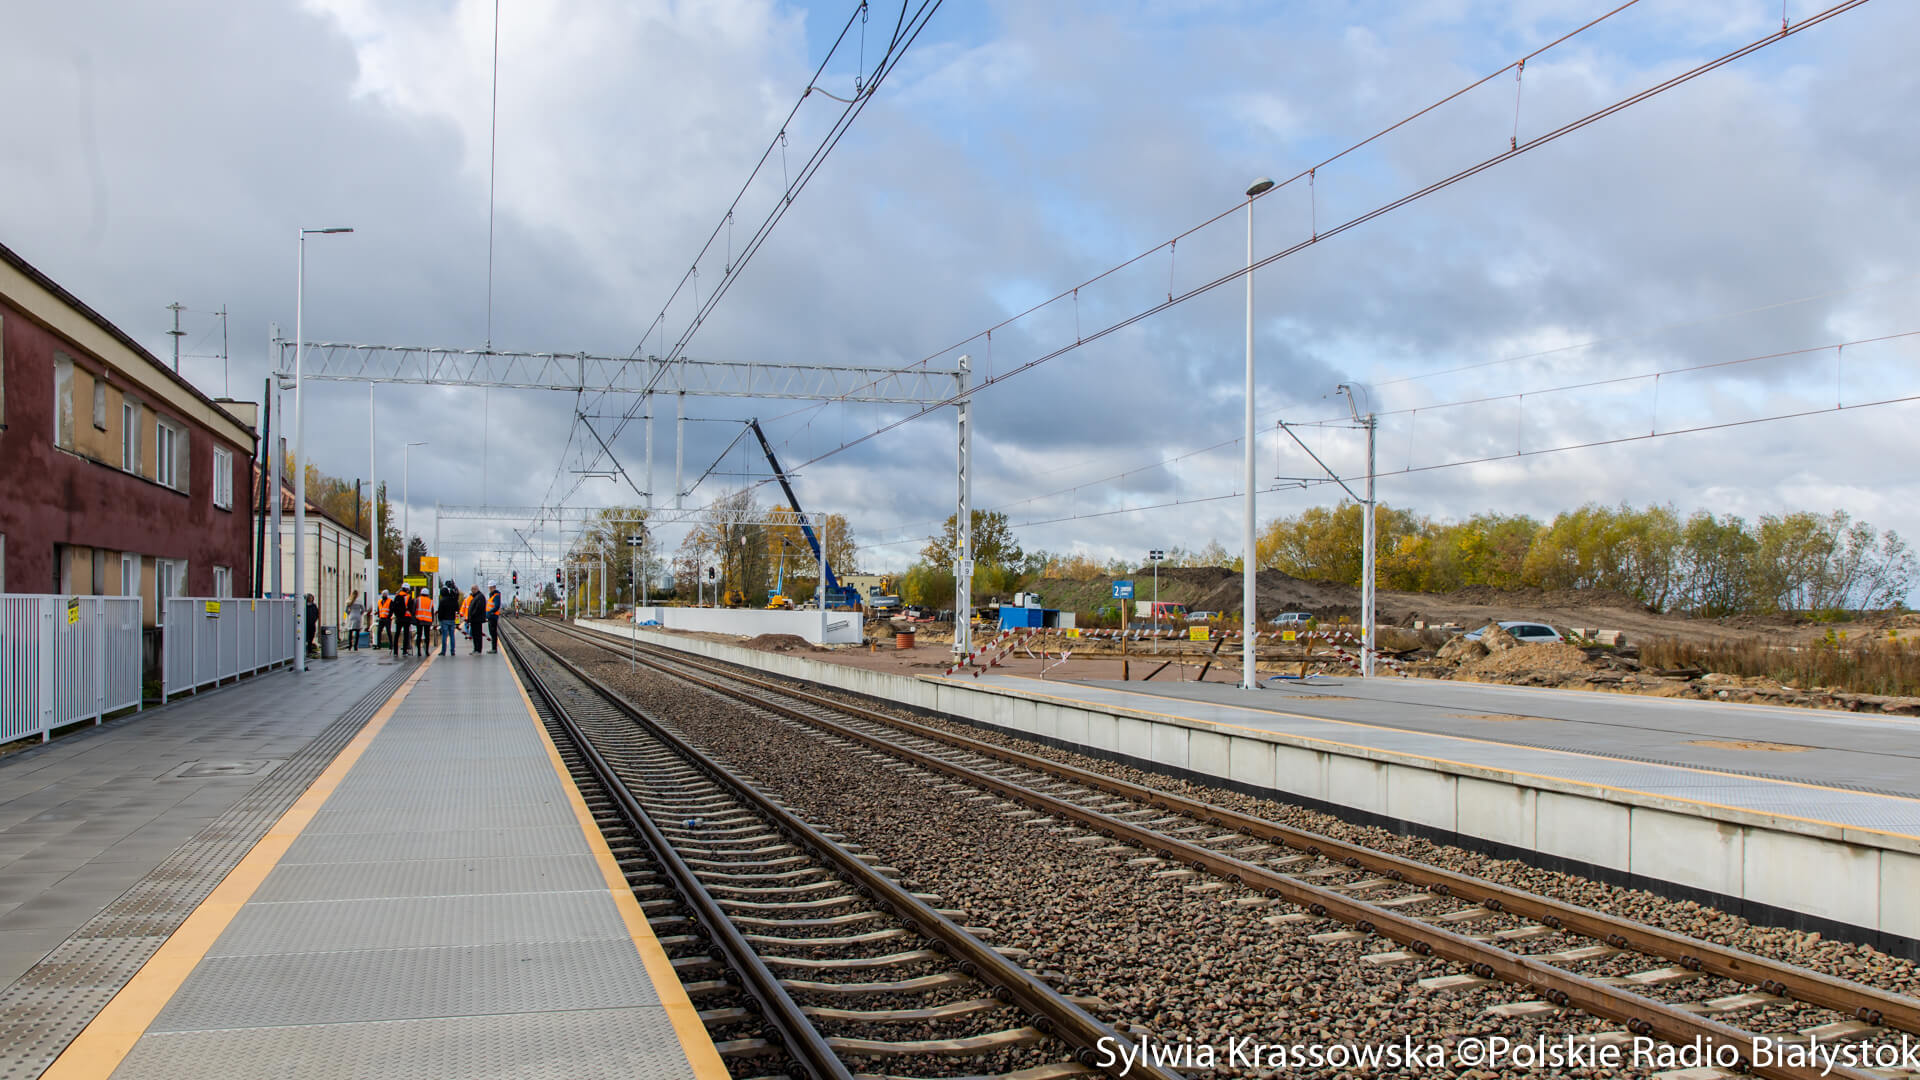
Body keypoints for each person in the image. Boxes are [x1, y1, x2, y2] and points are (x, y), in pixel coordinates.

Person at [438, 582, 460, 656]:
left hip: (444, 620)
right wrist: (457, 622)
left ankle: (443, 651)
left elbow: (440, 611)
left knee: (444, 636)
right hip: (452, 620)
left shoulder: (442, 601)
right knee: (452, 636)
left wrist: (440, 619)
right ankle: (452, 651)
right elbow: (457, 612)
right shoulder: (454, 600)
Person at [413, 584, 435, 658]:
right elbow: (432, 612)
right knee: (427, 636)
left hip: (419, 620)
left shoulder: (417, 599)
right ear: (427, 594)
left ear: (421, 593)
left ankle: (419, 651)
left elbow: (414, 609)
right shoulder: (430, 601)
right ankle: (427, 651)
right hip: (427, 621)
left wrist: (413, 618)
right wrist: (432, 620)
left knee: (419, 635)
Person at [466, 584, 487, 654]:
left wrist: (472, 615)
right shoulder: (476, 597)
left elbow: (478, 608)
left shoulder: (480, 597)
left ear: (476, 589)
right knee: (475, 635)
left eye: (472, 589)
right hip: (474, 620)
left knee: (477, 635)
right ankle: (476, 649)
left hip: (477, 620)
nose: (472, 591)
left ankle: (478, 649)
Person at [391, 586, 411, 655]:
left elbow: (393, 607)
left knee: (397, 634)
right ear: (407, 590)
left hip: (399, 618)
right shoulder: (408, 597)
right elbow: (411, 607)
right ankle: (404, 651)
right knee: (406, 634)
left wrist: (397, 615)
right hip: (406, 618)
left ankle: (395, 651)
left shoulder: (397, 597)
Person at [486, 581, 502, 653]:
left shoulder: (496, 596)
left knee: (493, 633)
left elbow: (497, 606)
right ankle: (493, 648)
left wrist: (490, 612)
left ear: (494, 587)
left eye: (490, 587)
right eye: (489, 587)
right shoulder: (492, 595)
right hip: (491, 616)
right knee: (492, 632)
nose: (489, 589)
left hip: (493, 616)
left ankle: (494, 649)